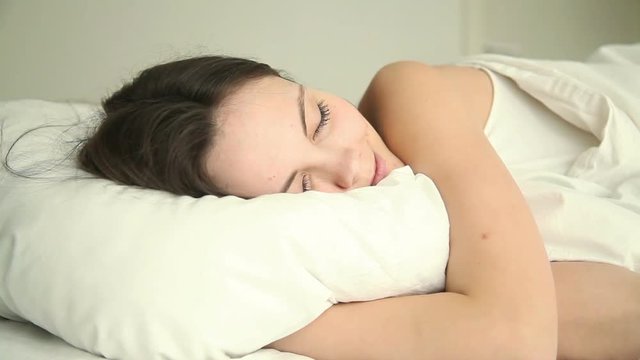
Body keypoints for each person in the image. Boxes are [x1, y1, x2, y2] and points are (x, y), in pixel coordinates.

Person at [77, 56, 640, 359]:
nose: (349, 167)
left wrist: (270, 327)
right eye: (300, 186)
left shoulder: (407, 91)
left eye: (319, 117)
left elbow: (513, 341)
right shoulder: (370, 248)